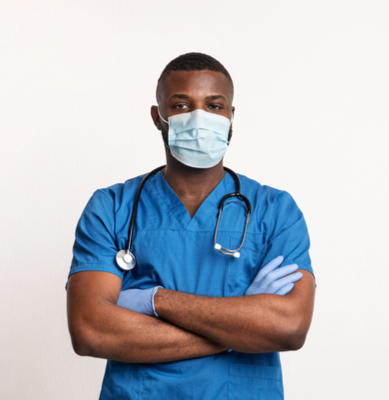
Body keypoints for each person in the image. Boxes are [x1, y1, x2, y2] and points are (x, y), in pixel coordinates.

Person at [66, 52, 316, 400]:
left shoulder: (274, 210)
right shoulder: (112, 207)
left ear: (231, 116)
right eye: (182, 105)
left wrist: (155, 300)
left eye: (214, 106)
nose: (200, 118)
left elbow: (288, 328)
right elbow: (91, 331)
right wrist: (241, 325)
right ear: (159, 117)